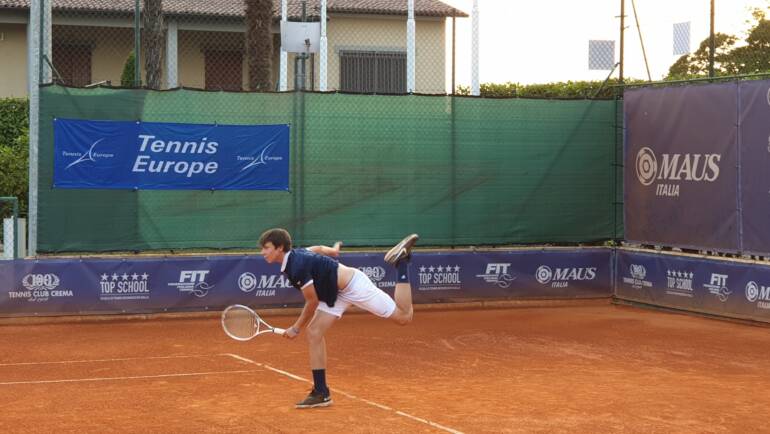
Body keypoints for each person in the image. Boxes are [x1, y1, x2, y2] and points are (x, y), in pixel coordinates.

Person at [258, 228, 418, 409]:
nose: (263, 252)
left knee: (404, 317)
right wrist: (332, 251)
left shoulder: (296, 267)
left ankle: (402, 263)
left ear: (280, 247)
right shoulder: (296, 255)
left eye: (266, 248)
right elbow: (318, 249)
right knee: (315, 332)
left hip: (354, 286)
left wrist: (295, 328)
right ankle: (321, 392)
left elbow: (312, 301)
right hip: (335, 293)